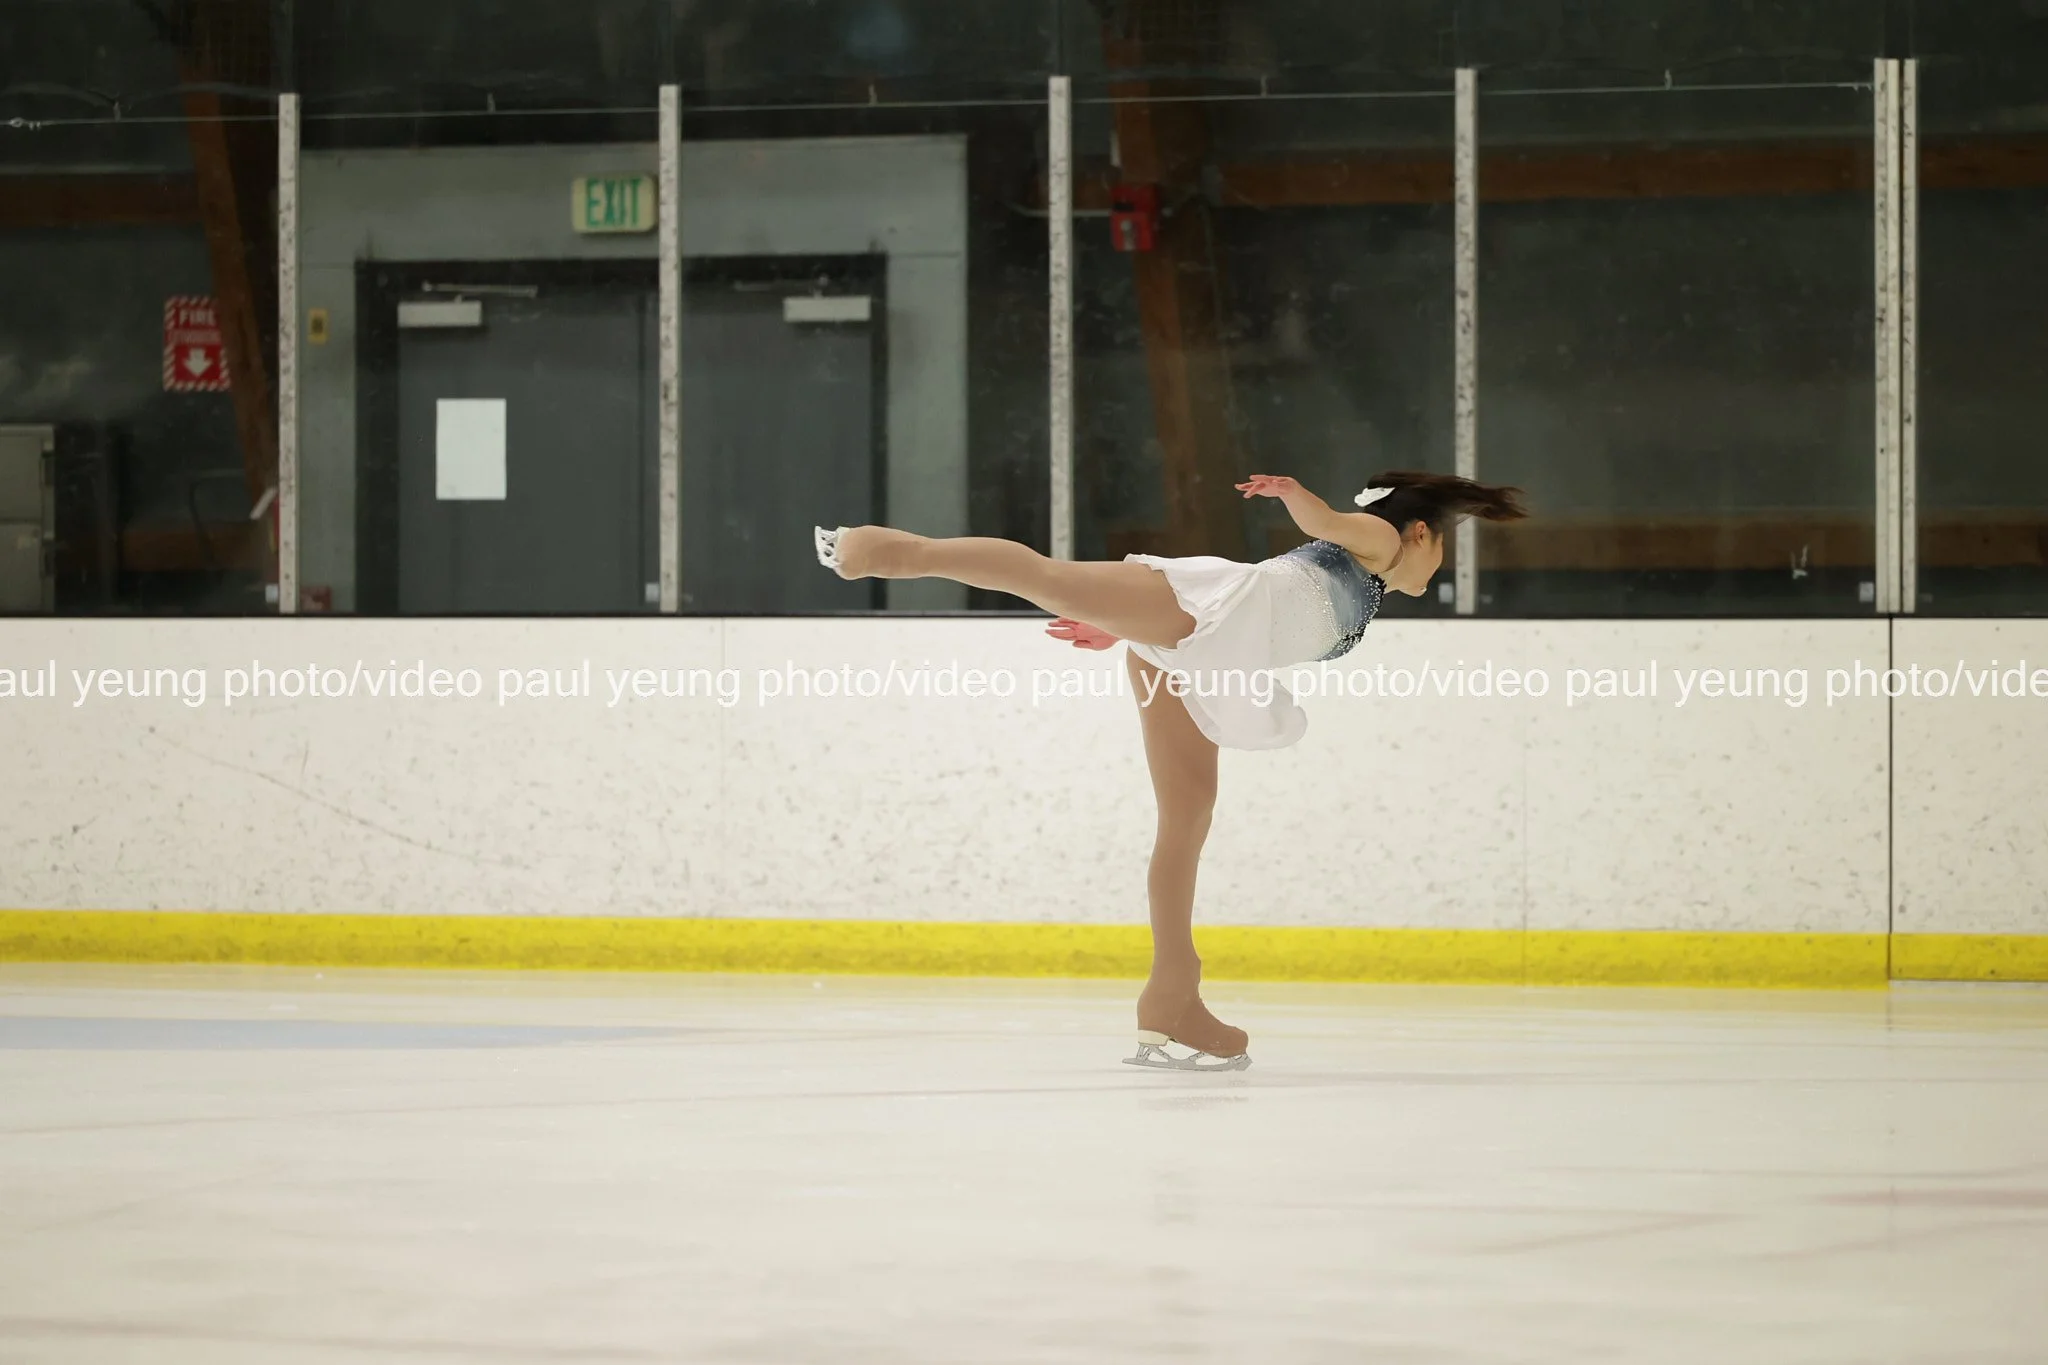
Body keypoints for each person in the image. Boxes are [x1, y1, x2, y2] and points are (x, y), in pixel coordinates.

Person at [814, 470, 1528, 1070]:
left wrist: (1122, 623)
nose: (1438, 570)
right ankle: (886, 550)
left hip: (1197, 654)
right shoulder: (1378, 540)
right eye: (1445, 551)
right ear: (1420, 533)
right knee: (1051, 579)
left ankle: (1173, 996)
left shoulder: (1367, 586)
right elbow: (1329, 521)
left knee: (1185, 821)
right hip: (1209, 617)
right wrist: (1292, 494)